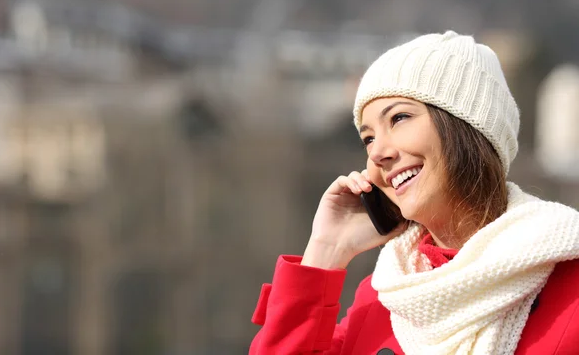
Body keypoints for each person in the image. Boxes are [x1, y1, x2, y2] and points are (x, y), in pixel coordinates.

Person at [248, 31, 579, 355]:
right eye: (368, 138)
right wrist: (326, 251)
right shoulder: (387, 296)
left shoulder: (566, 283)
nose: (377, 153)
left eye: (399, 118)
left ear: (466, 126)